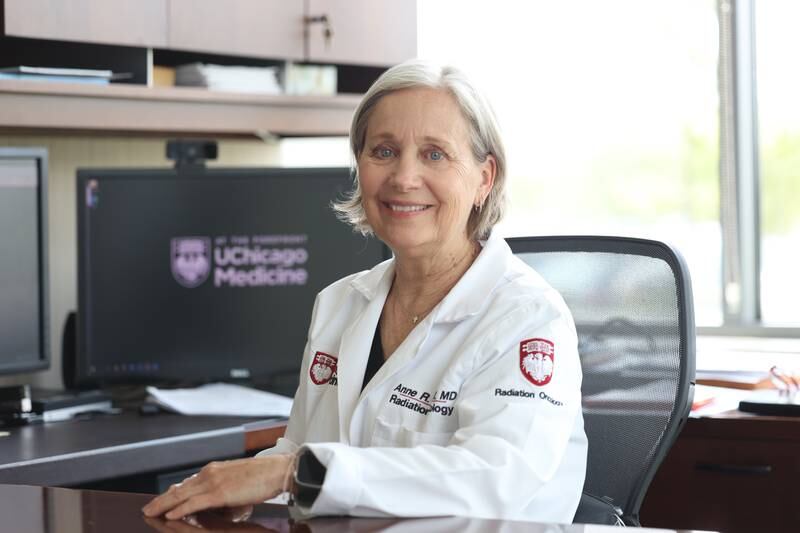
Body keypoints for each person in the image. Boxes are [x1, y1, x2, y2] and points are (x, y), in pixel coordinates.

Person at [143, 59, 588, 524]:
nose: (403, 177)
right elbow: (301, 450)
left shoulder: (529, 319)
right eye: (384, 151)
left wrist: (293, 473)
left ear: (484, 178)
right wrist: (227, 488)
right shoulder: (340, 302)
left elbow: (496, 477)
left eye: (435, 154)